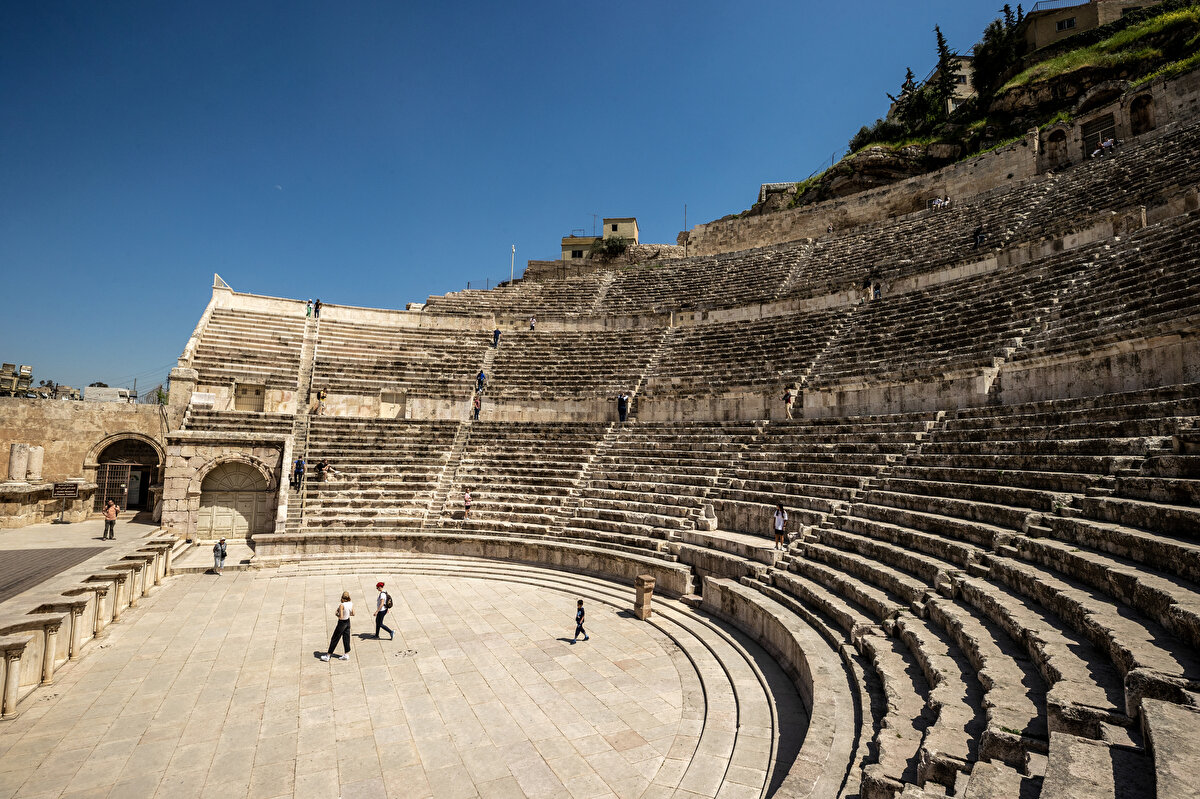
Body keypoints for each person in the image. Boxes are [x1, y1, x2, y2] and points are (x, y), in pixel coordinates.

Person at [321, 591, 354, 662]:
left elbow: (341, 617)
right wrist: (347, 614)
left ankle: (328, 655)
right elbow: (353, 613)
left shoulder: (342, 605)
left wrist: (336, 614)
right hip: (348, 621)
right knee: (346, 638)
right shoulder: (351, 603)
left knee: (335, 638)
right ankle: (346, 654)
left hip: (342, 623)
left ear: (342, 597)